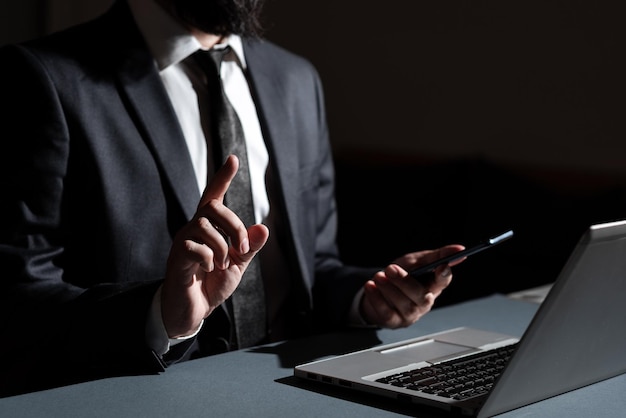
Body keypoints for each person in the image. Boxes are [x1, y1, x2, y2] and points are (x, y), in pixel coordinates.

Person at [0, 0, 464, 396]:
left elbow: (315, 268)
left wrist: (370, 299)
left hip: (301, 391)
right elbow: (17, 305)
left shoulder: (297, 80)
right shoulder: (40, 79)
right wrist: (160, 314)